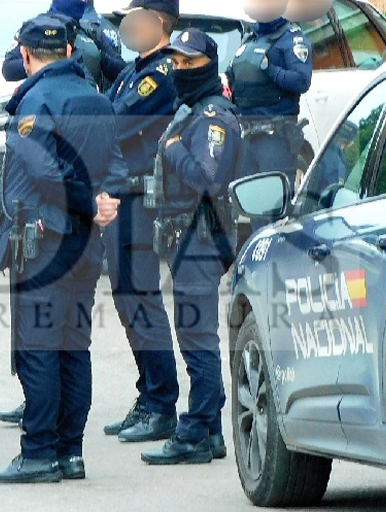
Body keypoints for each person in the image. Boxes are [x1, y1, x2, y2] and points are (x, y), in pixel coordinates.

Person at [0, 14, 121, 484]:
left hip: (44, 240)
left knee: (39, 348)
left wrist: (87, 200)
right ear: (67, 51)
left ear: (25, 55)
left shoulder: (35, 101)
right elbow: (115, 165)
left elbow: (45, 173)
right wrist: (101, 201)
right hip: (85, 239)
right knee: (72, 347)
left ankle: (39, 452)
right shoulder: (98, 99)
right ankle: (70, 452)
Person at [141, 29, 240, 464]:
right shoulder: (191, 110)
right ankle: (211, 431)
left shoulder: (213, 118)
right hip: (185, 236)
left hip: (203, 237)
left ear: (209, 65)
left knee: (199, 338)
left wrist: (177, 148)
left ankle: (197, 429)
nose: (179, 70)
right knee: (192, 334)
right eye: (176, 63)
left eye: (188, 64)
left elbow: (209, 178)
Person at [100, 0, 181, 443]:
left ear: (158, 22)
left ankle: (163, 402)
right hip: (120, 197)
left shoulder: (163, 72)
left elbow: (115, 122)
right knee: (126, 298)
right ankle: (148, 393)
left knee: (142, 298)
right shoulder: (134, 71)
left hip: (142, 200)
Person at [227, 0, 312, 230]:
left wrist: (270, 69)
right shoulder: (250, 38)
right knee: (254, 212)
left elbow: (301, 80)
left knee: (275, 213)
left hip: (276, 138)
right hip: (249, 136)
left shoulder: (291, 39)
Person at [1, 0, 124, 92]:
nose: (82, 1)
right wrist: (47, 59)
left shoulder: (89, 31)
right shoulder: (35, 29)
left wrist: (97, 55)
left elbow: (122, 71)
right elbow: (8, 69)